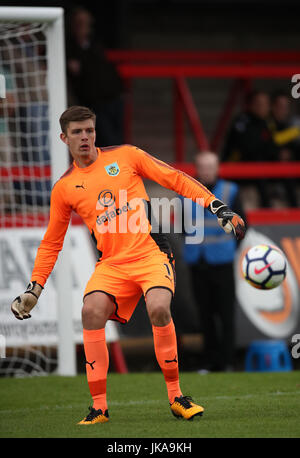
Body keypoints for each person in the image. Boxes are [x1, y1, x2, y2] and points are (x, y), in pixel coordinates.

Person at [10, 106, 246, 425]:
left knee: (159, 308)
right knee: (91, 311)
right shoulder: (65, 188)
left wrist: (217, 207)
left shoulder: (126, 155)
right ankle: (99, 408)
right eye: (77, 132)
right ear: (63, 138)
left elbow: (174, 178)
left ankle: (177, 396)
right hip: (112, 264)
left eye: (89, 130)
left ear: (96, 132)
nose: (85, 137)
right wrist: (35, 288)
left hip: (150, 252)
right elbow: (52, 241)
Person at [180, 151, 246, 373]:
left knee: (225, 313)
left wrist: (228, 248)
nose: (207, 171)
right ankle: (209, 361)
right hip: (197, 262)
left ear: (217, 168)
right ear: (197, 169)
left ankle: (227, 361)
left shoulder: (230, 191)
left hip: (222, 261)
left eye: (211, 167)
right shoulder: (185, 193)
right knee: (204, 314)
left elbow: (242, 226)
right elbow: (182, 228)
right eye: (203, 167)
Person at [65, 7, 124, 146]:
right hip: (93, 103)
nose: (84, 27)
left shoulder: (97, 43)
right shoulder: (68, 47)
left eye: (86, 23)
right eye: (80, 23)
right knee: (105, 140)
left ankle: (120, 167)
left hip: (113, 98)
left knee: (117, 140)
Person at [222, 90, 278, 207]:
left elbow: (272, 146)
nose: (264, 107)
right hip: (237, 166)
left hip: (261, 167)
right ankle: (267, 208)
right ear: (251, 105)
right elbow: (247, 149)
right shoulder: (242, 122)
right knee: (258, 165)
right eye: (260, 104)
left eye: (266, 104)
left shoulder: (268, 122)